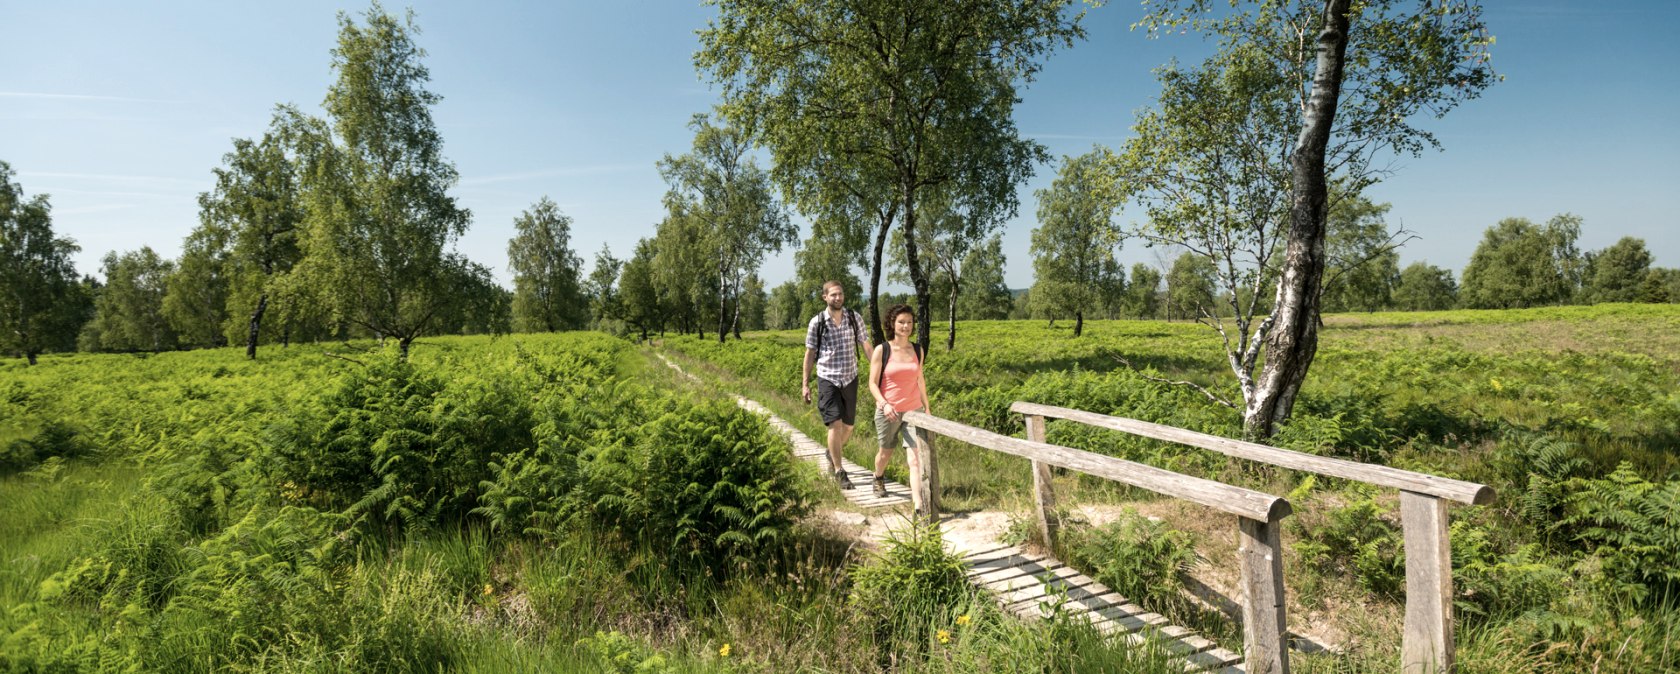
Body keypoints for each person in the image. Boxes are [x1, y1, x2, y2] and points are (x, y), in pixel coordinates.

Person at [802, 280, 871, 489]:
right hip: (828, 378)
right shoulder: (817, 322)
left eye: (840, 294)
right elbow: (810, 353)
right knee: (835, 423)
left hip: (850, 376)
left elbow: (866, 345)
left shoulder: (854, 317)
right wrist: (805, 383)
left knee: (849, 427)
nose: (837, 298)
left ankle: (831, 452)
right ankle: (840, 471)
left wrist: (879, 370)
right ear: (825, 297)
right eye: (833, 295)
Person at [866, 304, 931, 501]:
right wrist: (884, 403)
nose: (906, 326)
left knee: (915, 458)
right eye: (901, 322)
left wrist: (927, 408)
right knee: (885, 454)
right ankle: (878, 477)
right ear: (892, 324)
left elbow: (920, 380)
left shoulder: (918, 350)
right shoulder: (882, 350)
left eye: (909, 322)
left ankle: (918, 506)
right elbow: (872, 384)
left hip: (913, 411)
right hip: (889, 411)